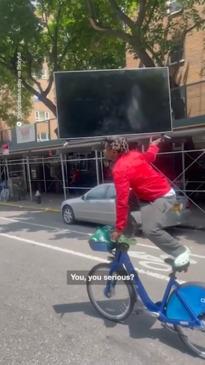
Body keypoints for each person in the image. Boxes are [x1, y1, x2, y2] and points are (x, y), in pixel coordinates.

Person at [103, 136, 190, 268]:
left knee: (150, 230)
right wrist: (154, 146)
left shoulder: (120, 169)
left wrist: (118, 228)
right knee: (125, 202)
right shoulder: (134, 154)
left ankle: (180, 251)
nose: (103, 151)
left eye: (105, 149)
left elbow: (122, 201)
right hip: (147, 196)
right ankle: (123, 240)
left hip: (162, 196)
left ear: (113, 152)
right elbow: (150, 156)